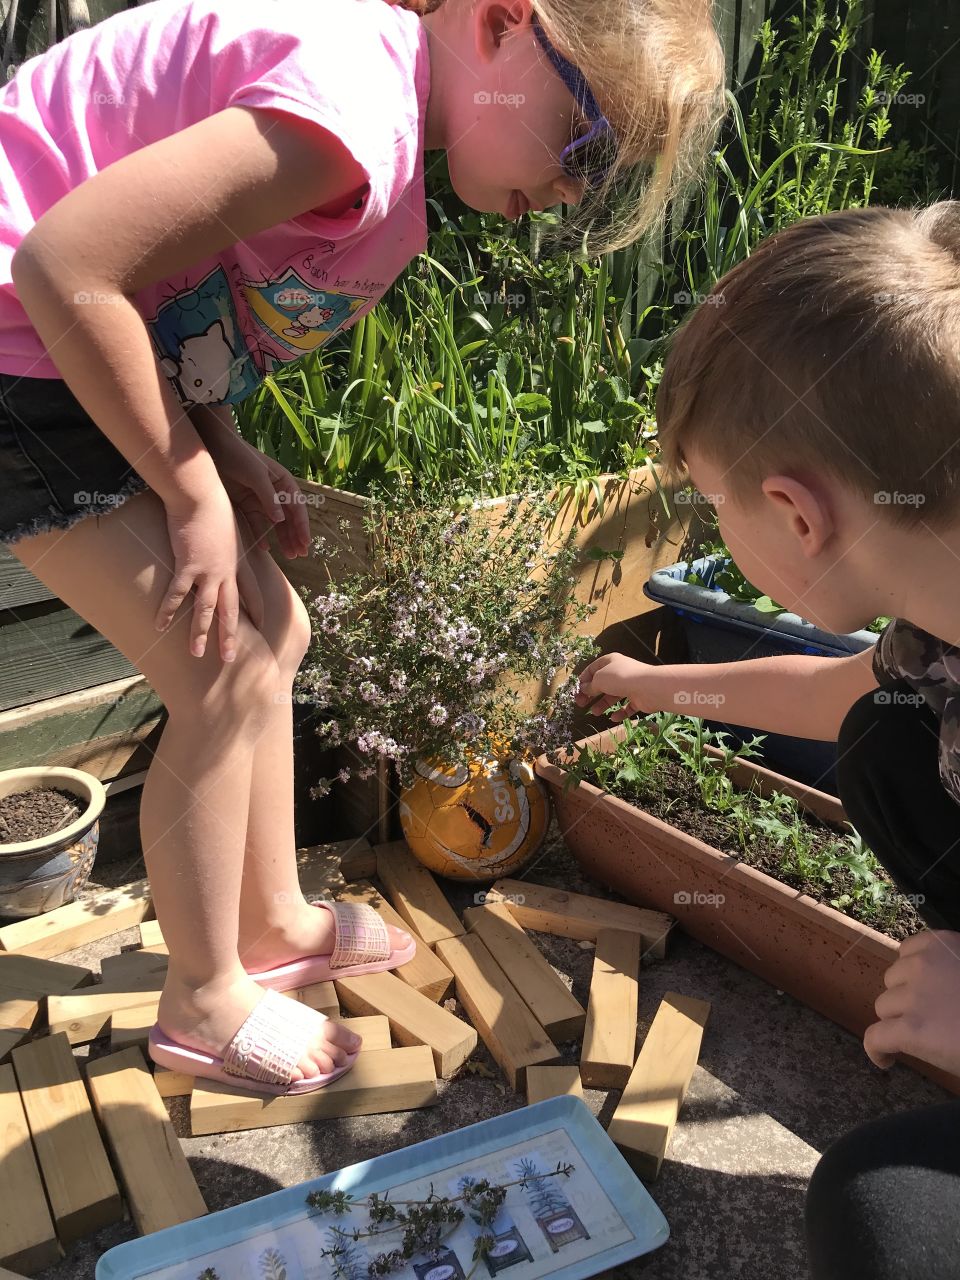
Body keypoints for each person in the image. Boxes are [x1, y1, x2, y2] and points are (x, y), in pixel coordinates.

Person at [0, 0, 724, 1095]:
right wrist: (187, 489)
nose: (578, 189)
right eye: (588, 141)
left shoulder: (369, 107)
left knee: (275, 633)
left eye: (604, 176)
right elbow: (69, 267)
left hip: (58, 344)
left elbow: (157, 286)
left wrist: (223, 451)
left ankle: (272, 919)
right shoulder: (350, 106)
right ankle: (200, 1000)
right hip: (22, 346)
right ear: (501, 23)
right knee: (219, 669)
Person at [576, 201, 960, 1277]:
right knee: (884, 734)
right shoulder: (939, 623)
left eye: (712, 506)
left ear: (796, 514)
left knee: (879, 1207)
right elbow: (832, 689)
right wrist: (655, 685)